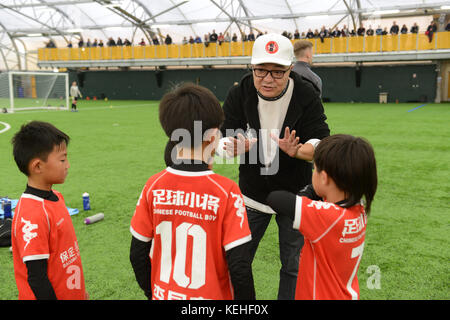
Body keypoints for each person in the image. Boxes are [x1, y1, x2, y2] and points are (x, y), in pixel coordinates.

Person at [218, 33, 330, 300]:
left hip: (294, 193)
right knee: (238, 261)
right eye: (261, 70)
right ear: (252, 68)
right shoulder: (240, 92)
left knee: (293, 265)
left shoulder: (305, 93)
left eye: (277, 72)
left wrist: (301, 151)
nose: (268, 78)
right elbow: (221, 136)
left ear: (290, 70)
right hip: (252, 193)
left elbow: (322, 138)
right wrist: (231, 145)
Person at [129, 83, 255, 300]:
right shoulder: (226, 191)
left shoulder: (153, 185)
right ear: (214, 133)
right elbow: (240, 266)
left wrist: (152, 293)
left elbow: (137, 254)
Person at [266, 134, 378, 300]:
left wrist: (308, 192)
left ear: (324, 177)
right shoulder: (358, 206)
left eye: (315, 169)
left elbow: (276, 198)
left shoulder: (326, 217)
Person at [10, 121, 87, 300]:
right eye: (62, 159)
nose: (68, 165)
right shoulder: (32, 214)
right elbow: (37, 278)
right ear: (37, 166)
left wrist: (80, 292)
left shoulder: (57, 197)